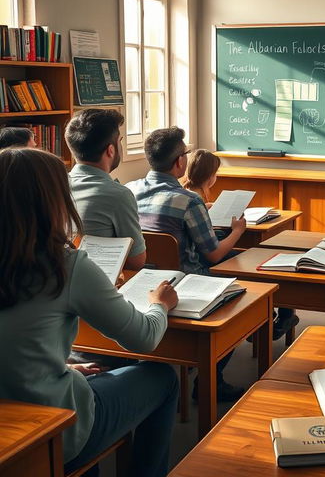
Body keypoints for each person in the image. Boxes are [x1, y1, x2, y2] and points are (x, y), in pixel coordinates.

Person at [0, 148, 178, 477]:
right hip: (54, 428)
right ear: (54, 200)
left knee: (89, 374)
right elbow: (144, 338)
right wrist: (160, 304)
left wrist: (62, 365)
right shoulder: (63, 265)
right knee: (162, 377)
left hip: (8, 427)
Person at [126, 127, 251, 401]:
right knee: (242, 293)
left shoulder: (128, 191)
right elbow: (214, 256)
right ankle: (212, 381)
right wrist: (238, 232)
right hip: (185, 281)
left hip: (141, 281)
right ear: (180, 162)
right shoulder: (190, 200)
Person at [65, 108, 146, 271]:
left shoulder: (54, 185)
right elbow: (136, 261)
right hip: (98, 281)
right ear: (110, 150)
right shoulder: (118, 195)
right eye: (120, 141)